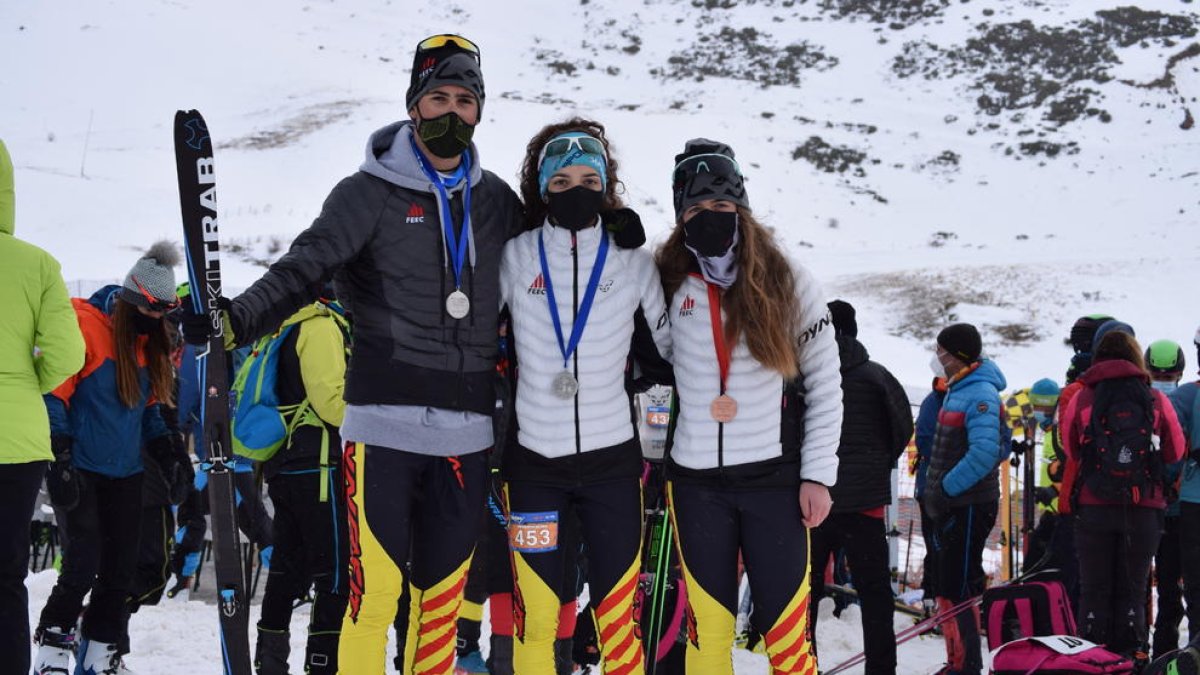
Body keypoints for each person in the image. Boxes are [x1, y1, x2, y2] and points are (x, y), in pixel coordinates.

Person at [180, 34, 523, 675]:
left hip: (467, 435)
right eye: (438, 98)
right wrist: (235, 319)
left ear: (480, 111)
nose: (451, 113)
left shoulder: (499, 202)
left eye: (465, 100)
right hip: (381, 430)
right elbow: (302, 268)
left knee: (439, 606)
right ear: (414, 104)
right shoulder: (367, 192)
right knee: (375, 600)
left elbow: (550, 268)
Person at [655, 138, 842, 674]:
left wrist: (818, 476)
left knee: (785, 639)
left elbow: (827, 383)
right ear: (679, 216)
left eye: (721, 207)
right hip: (696, 485)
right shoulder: (666, 276)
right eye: (694, 210)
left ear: (741, 208)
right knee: (707, 637)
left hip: (773, 483)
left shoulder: (787, 279)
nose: (709, 218)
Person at [497, 118, 672, 673]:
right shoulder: (516, 256)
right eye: (563, 181)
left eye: (589, 181)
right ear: (543, 187)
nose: (577, 191)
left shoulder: (633, 261)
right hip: (533, 467)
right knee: (537, 614)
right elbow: (475, 342)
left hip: (611, 467)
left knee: (618, 614)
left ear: (607, 186)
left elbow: (669, 350)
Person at [33, 243, 193, 675]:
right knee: (83, 563)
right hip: (83, 468)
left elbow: (150, 412)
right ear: (134, 302)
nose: (159, 323)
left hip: (127, 473)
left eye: (164, 315)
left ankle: (101, 651)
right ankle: (52, 647)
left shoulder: (148, 341)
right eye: (153, 313)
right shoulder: (85, 327)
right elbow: (55, 396)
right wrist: (60, 457)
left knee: (120, 570)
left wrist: (170, 455)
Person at [0, 138, 85, 675]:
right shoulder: (35, 265)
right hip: (17, 439)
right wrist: (24, 381)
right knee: (7, 575)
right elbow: (68, 354)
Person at [1059, 325, 1185, 667]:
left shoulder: (1083, 396)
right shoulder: (1154, 399)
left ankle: (1091, 661)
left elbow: (1069, 447)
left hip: (1093, 508)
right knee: (1133, 590)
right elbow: (1175, 450)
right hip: (1143, 508)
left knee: (1094, 590)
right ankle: (1132, 660)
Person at [808, 299, 912, 675]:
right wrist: (877, 462)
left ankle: (805, 664)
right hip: (866, 503)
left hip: (815, 502)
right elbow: (903, 430)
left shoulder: (809, 374)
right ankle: (882, 669)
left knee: (806, 591)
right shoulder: (877, 376)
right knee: (875, 593)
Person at [254, 294, 350, 675]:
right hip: (320, 465)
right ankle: (323, 663)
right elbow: (331, 403)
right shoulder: (321, 326)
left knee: (286, 570)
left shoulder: (283, 323)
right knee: (336, 573)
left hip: (285, 463)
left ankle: (270, 662)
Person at [922, 322, 1007, 675]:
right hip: (951, 502)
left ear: (956, 356)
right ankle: (956, 660)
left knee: (960, 584)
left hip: (970, 502)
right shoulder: (958, 388)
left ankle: (969, 664)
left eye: (941, 350)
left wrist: (945, 488)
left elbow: (985, 452)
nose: (936, 357)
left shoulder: (981, 393)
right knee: (946, 581)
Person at [1145, 340, 1186, 658]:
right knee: (1172, 587)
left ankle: (1145, 652)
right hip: (1180, 508)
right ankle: (1166, 652)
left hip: (1144, 507)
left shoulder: (1141, 401)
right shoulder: (1187, 399)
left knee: (1142, 585)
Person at [1169, 328, 1200, 652]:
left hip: (1192, 499)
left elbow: (1171, 450)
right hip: (1192, 497)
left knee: (1195, 584)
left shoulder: (1187, 396)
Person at [914, 375, 948, 613]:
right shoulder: (933, 403)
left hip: (940, 485)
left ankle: (936, 597)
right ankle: (933, 598)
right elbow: (924, 440)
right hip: (932, 487)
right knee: (936, 545)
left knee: (940, 546)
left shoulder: (937, 401)